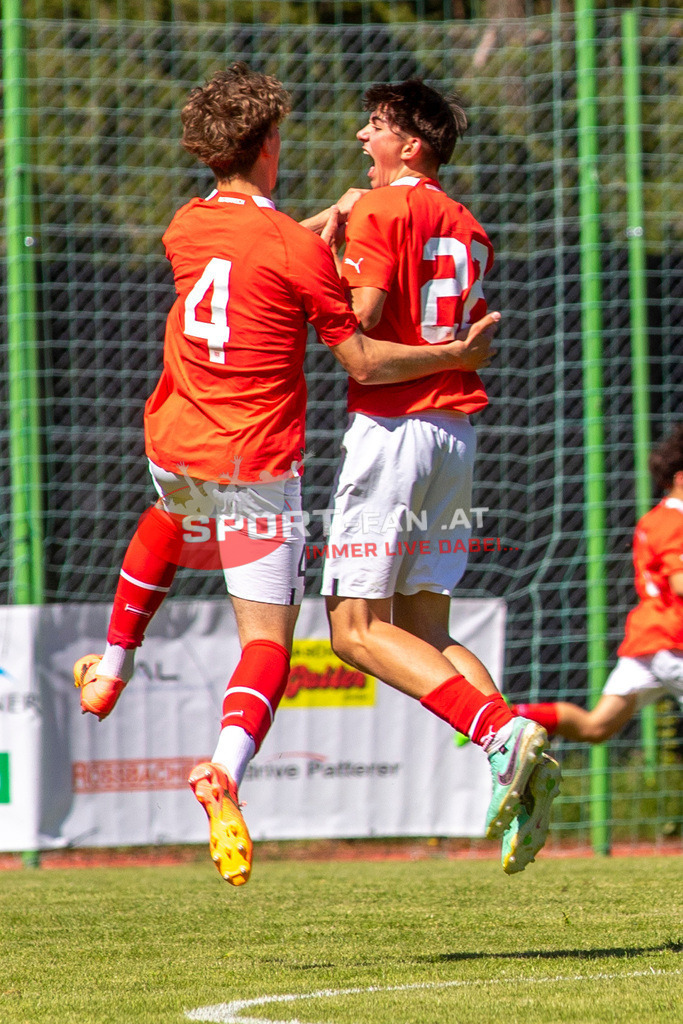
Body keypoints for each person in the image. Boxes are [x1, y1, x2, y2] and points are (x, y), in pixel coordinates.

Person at [73, 63, 499, 885]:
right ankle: (225, 770)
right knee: (269, 646)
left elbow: (254, 253)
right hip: (263, 464)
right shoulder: (302, 248)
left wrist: (323, 223)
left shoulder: (185, 227)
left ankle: (114, 667)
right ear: (270, 142)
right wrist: (452, 354)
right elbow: (363, 355)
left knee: (165, 518)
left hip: (177, 444)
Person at [319, 78, 560, 875]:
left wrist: (320, 254)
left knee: (352, 631)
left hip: (392, 431)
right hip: (455, 435)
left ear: (409, 145)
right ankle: (521, 775)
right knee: (425, 631)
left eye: (376, 127)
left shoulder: (385, 211)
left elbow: (359, 315)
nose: (362, 137)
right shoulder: (467, 224)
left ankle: (500, 734)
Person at [512, 425, 683, 743]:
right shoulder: (675, 521)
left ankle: (512, 717)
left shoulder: (655, 519)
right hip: (673, 642)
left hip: (649, 639)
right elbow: (680, 583)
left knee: (596, 727)